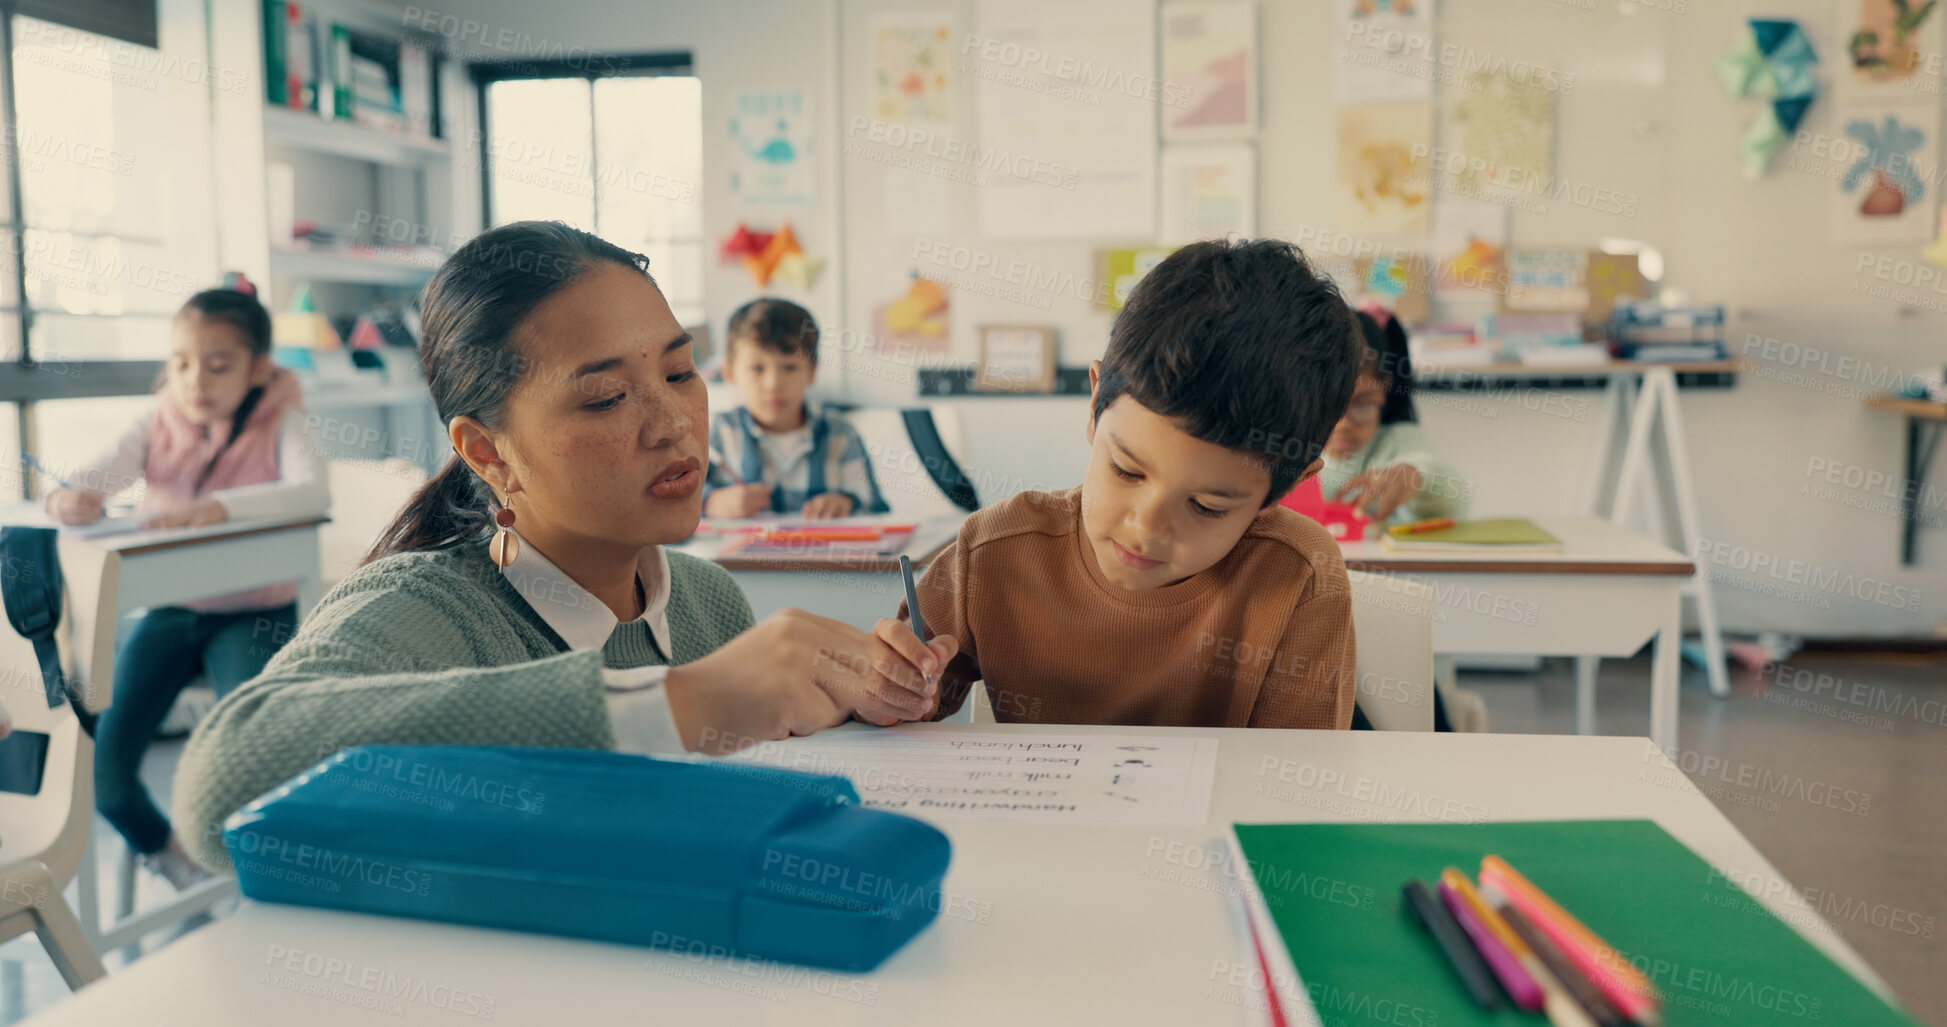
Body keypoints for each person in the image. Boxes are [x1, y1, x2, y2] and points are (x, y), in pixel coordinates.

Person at [172, 223, 952, 868]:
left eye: (680, 372)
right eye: (606, 396)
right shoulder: (428, 609)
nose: (672, 422)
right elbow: (220, 787)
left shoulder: (708, 599)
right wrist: (671, 704)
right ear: (487, 453)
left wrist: (860, 703)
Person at [872, 238, 1364, 730]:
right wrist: (881, 688)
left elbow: (1293, 780)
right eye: (1127, 471)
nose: (1145, 527)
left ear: (1285, 489)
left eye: (1207, 506)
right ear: (1093, 404)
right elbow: (892, 704)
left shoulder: (1299, 578)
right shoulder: (992, 553)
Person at [45, 275, 328, 888]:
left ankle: (259, 867)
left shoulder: (285, 419)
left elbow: (311, 492)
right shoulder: (156, 420)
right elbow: (99, 474)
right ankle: (177, 859)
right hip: (172, 610)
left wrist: (223, 507)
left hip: (255, 612)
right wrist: (73, 496)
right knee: (105, 773)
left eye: (218, 364)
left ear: (257, 369)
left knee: (249, 752)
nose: (195, 380)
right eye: (180, 363)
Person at [702, 298, 889, 519]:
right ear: (730, 374)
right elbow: (679, 505)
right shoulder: (717, 433)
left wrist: (847, 503)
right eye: (757, 368)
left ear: (811, 372)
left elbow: (876, 509)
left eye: (790, 367)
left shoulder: (841, 436)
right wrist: (710, 503)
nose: (773, 384)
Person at [1321, 307, 1470, 523]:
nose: (1343, 425)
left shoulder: (1400, 441)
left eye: (1362, 406)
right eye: (1329, 407)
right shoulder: (1286, 450)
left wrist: (1415, 474)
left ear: (1385, 387)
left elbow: (1455, 503)